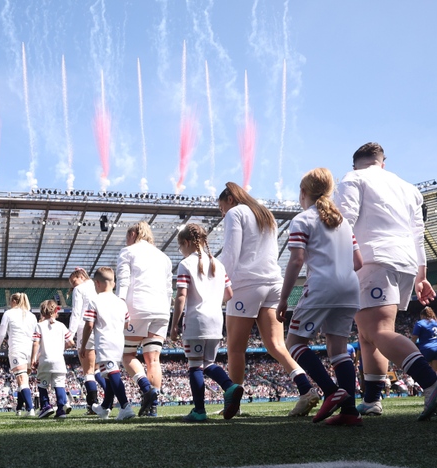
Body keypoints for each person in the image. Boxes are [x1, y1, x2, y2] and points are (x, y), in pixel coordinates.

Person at [335, 142, 437, 420]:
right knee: (367, 334)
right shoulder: (409, 188)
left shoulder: (353, 178)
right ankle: (372, 399)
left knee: (377, 330)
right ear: (382, 163)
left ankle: (431, 381)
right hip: (405, 262)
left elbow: (345, 222)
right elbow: (418, 234)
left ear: (356, 163)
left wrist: (336, 263)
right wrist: (421, 275)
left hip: (372, 257)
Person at [216, 181, 320, 416]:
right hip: (273, 282)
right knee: (276, 345)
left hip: (246, 285)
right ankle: (306, 388)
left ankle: (234, 405)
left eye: (221, 208)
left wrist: (220, 285)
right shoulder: (265, 214)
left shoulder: (235, 213)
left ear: (230, 200)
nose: (222, 214)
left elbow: (231, 253)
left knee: (235, 349)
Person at [278, 167, 363, 426]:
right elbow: (358, 262)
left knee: (294, 343)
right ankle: (349, 412)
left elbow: (296, 261)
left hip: (322, 287)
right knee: (338, 350)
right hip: (350, 287)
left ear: (303, 193)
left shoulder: (303, 219)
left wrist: (284, 299)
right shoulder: (343, 222)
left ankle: (329, 390)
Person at [168, 223, 239, 422]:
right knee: (208, 363)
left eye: (180, 246)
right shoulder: (219, 264)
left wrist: (174, 324)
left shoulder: (185, 264)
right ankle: (230, 386)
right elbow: (229, 294)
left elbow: (181, 296)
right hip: (216, 320)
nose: (180, 251)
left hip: (196, 321)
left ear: (187, 242)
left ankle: (199, 410)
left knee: (195, 366)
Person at [117, 221, 173, 416]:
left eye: (127, 235)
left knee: (128, 355)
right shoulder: (164, 257)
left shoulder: (128, 251)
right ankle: (153, 407)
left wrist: (120, 306)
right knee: (153, 360)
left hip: (137, 308)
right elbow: (169, 289)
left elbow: (123, 281)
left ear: (133, 234)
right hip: (161, 310)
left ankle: (146, 389)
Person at [81, 267, 136, 420]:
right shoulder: (121, 302)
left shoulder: (94, 300)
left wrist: (84, 345)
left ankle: (125, 406)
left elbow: (89, 325)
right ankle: (105, 406)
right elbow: (127, 323)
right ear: (114, 283)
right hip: (119, 341)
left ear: (96, 283)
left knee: (111, 373)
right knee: (108, 375)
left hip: (105, 342)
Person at [0, 292, 39, 417]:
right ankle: (19, 408)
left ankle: (30, 409)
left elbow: (1, 333)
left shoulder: (8, 313)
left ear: (13, 301)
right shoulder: (32, 316)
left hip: (17, 349)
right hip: (30, 349)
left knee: (21, 379)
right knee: (23, 380)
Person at [68, 268, 106, 412]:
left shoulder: (79, 289)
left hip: (85, 328)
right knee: (97, 369)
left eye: (74, 281)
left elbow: (76, 313)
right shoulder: (99, 286)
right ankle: (109, 398)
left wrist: (70, 335)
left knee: (88, 371)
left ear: (80, 276)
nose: (73, 285)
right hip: (101, 329)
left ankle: (92, 404)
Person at [32, 300, 74, 419]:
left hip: (45, 359)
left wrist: (33, 359)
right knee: (59, 384)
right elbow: (71, 342)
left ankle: (46, 406)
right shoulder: (61, 326)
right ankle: (61, 409)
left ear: (42, 312)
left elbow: (36, 343)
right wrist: (61, 347)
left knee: (42, 384)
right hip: (59, 361)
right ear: (56, 311)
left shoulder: (39, 325)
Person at [412, 307, 437, 375]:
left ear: (422, 315)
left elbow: (414, 338)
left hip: (426, 349)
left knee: (425, 372)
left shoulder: (420, 323)